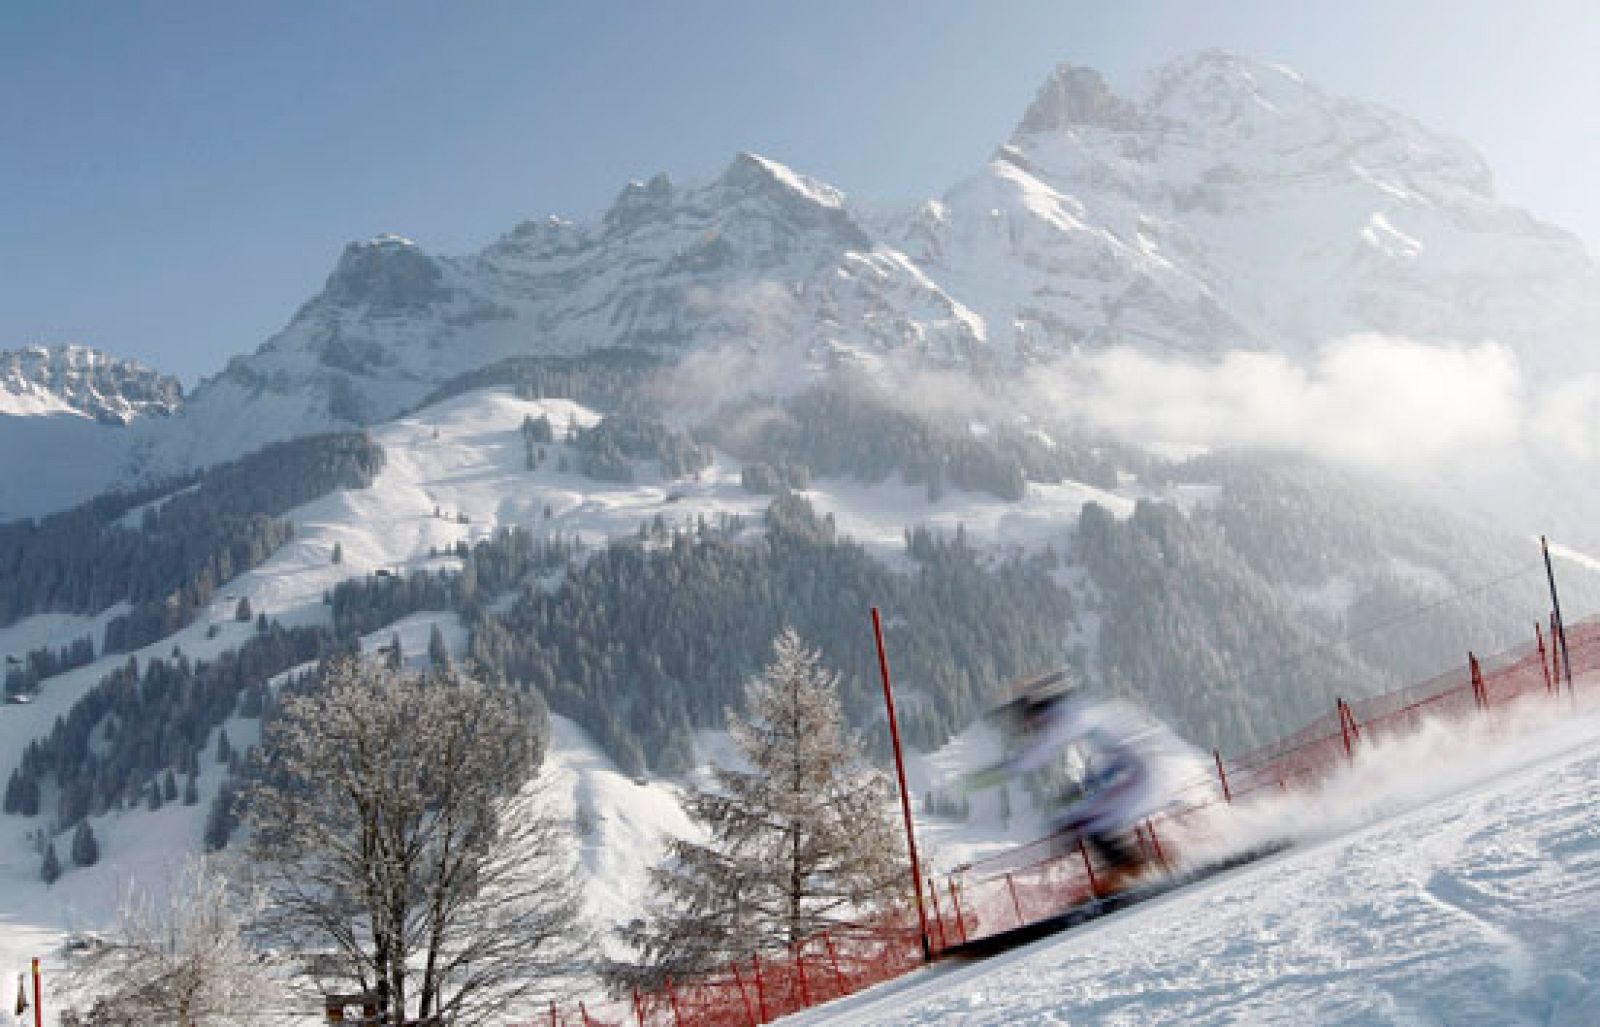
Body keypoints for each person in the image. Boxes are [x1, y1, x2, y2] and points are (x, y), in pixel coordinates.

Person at [967, 670, 1179, 895]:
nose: (1028, 727)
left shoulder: (1063, 719)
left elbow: (1028, 760)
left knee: (1085, 823)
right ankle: (1145, 867)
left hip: (1138, 772)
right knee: (1087, 822)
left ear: (1038, 713)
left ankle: (1133, 873)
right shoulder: (1074, 712)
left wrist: (976, 780)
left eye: (1028, 720)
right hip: (1136, 768)